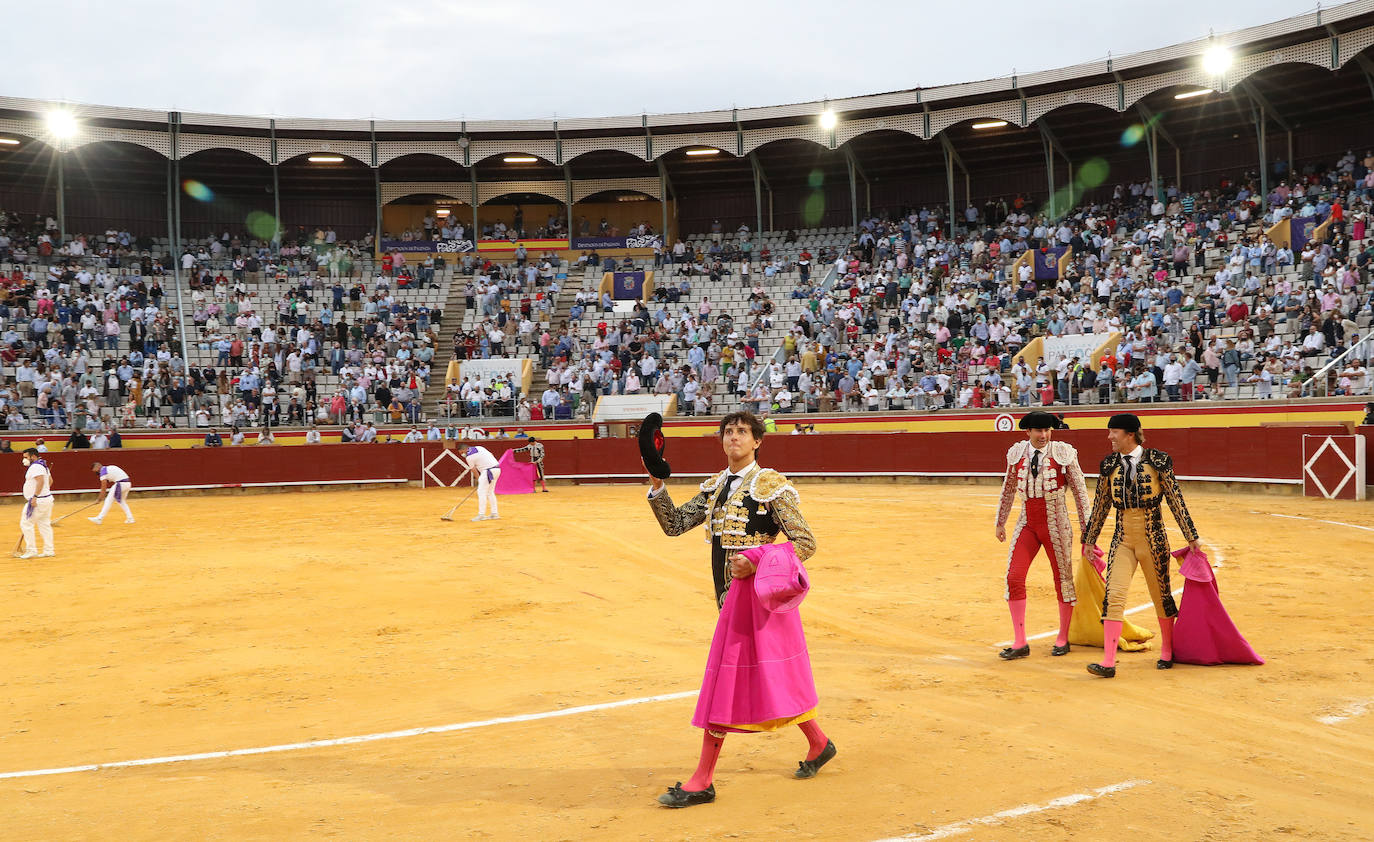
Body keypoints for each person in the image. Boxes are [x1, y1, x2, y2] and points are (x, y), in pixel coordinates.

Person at [646, 411, 832, 808]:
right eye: (728, 432)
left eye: (742, 432)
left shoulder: (771, 486)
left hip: (758, 599)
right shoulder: (715, 486)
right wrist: (658, 486)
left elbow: (805, 542)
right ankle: (819, 742)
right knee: (769, 674)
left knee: (723, 680)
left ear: (757, 441)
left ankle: (702, 780)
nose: (734, 437)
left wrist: (757, 559)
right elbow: (675, 524)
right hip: (726, 597)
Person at [1081, 413, 1202, 677]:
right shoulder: (1109, 464)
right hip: (1122, 538)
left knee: (1161, 595)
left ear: (1130, 434)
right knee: (1113, 596)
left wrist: (1191, 536)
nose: (1109, 437)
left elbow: (1175, 499)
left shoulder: (1158, 461)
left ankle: (1168, 650)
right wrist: (1089, 540)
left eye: (1114, 432)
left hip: (1154, 536)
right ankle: (1109, 662)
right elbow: (1100, 505)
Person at [993, 411, 1089, 659]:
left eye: (1047, 430)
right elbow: (1008, 488)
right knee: (1014, 577)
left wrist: (1088, 528)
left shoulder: (1063, 452)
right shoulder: (1017, 453)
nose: (1044, 435)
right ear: (1028, 432)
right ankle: (1020, 642)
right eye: (1039, 431)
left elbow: (1080, 491)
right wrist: (1000, 522)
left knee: (1063, 579)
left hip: (1056, 522)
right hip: (1027, 521)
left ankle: (1063, 637)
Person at [17, 447, 54, 558]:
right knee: (44, 524)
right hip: (46, 499)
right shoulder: (43, 465)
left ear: (33, 456)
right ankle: (49, 550)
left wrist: (35, 496)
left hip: (38, 501)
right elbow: (50, 482)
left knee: (26, 523)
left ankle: (31, 550)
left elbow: (41, 481)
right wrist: (43, 491)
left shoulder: (36, 467)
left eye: (26, 457)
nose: (24, 460)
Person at [464, 443, 501, 521]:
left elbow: (473, 470)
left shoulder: (469, 457)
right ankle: (494, 513)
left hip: (487, 471)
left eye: (461, 452)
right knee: (490, 492)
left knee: (481, 492)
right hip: (497, 469)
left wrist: (479, 479)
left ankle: (481, 515)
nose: (462, 454)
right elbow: (491, 454)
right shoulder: (480, 448)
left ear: (464, 449)